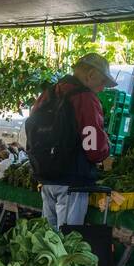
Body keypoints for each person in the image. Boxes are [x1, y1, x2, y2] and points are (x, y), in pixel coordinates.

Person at [24, 52, 115, 229]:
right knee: (68, 238)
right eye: (103, 82)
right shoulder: (85, 98)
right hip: (72, 181)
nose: (103, 88)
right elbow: (93, 144)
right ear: (91, 75)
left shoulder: (49, 93)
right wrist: (104, 154)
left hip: (46, 177)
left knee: (48, 237)